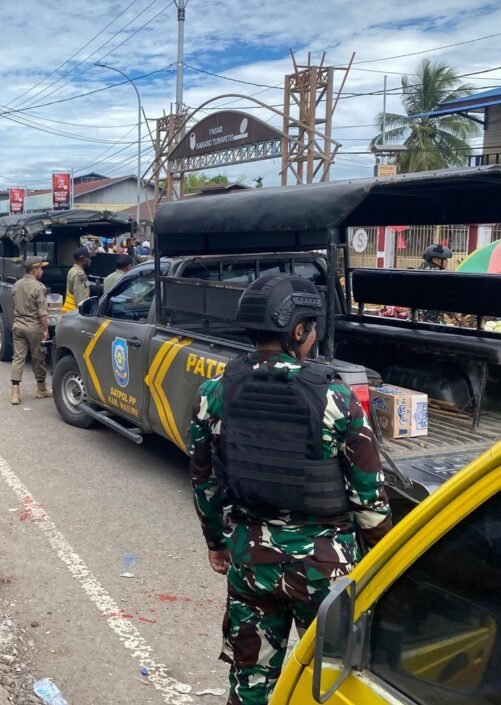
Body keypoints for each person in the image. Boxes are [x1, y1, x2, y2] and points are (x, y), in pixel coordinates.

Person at [189, 273, 392, 705]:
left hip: (250, 561)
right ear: (298, 331)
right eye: (312, 328)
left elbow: (204, 480)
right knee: (331, 685)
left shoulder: (215, 392)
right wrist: (383, 564)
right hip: (326, 571)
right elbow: (369, 499)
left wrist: (216, 543)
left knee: (250, 683)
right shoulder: (335, 397)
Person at [10, 258, 52, 405]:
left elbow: (13, 305)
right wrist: (45, 329)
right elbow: (42, 313)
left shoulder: (16, 285)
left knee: (18, 358)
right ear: (34, 270)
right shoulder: (38, 287)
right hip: (34, 327)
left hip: (18, 325)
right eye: (41, 268)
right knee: (38, 357)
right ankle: (41, 388)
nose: (42, 271)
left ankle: (15, 392)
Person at [63, 247, 91, 311]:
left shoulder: (74, 270)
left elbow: (87, 286)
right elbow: (78, 296)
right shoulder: (78, 274)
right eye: (89, 258)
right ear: (83, 260)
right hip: (75, 311)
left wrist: (85, 279)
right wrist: (81, 312)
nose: (90, 260)